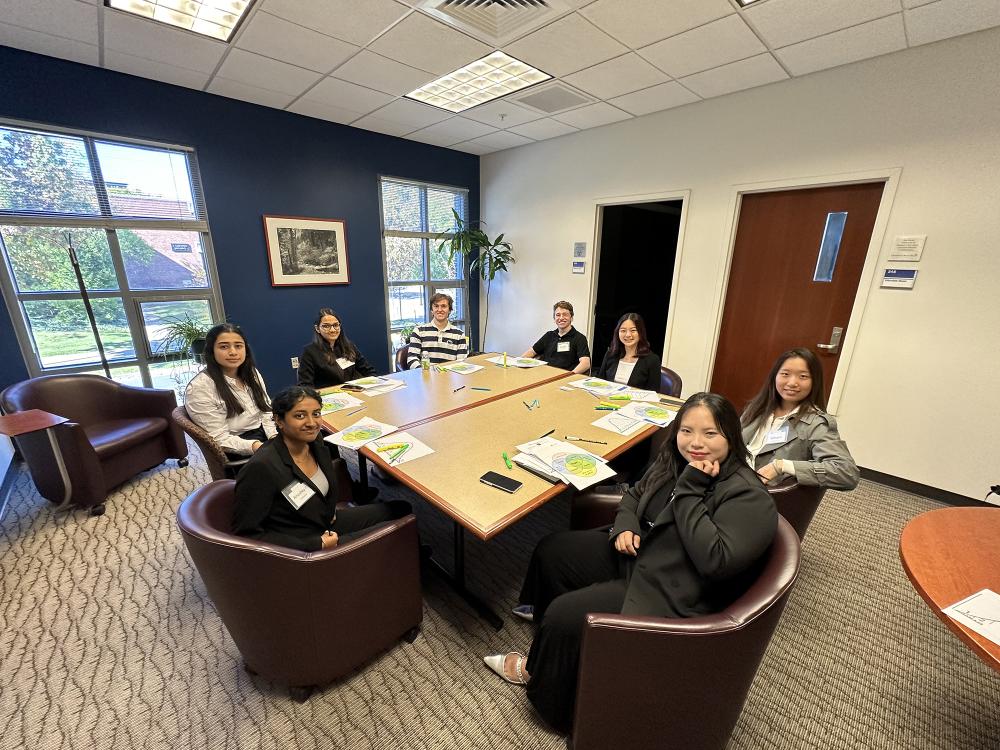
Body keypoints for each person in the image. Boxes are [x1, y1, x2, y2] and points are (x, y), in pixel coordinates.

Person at [483, 392, 777, 733]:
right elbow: (635, 494)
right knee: (553, 551)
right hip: (641, 551)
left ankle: (548, 683)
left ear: (731, 435)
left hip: (674, 583)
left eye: (710, 433)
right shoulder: (673, 460)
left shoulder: (748, 494)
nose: (696, 443)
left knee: (566, 615)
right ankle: (556, 652)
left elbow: (715, 560)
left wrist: (691, 490)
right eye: (686, 431)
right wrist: (626, 524)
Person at [232, 386, 412, 552]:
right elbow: (247, 535)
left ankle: (412, 558)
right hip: (305, 541)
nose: (312, 423)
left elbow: (321, 490)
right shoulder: (262, 467)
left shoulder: (315, 443)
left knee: (400, 508)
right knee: (401, 528)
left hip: (323, 519)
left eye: (316, 414)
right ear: (279, 420)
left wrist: (328, 509)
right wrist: (315, 544)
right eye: (300, 416)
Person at [741, 347, 859, 490]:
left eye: (803, 376)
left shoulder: (816, 424)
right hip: (729, 479)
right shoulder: (757, 408)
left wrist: (782, 466)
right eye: (785, 374)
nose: (792, 383)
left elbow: (846, 472)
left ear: (814, 381)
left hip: (760, 495)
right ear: (775, 376)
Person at [185, 322, 277, 460]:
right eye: (224, 347)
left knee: (313, 438)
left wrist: (274, 437)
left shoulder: (251, 372)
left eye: (238, 346)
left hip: (264, 430)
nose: (233, 352)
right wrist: (258, 447)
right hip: (238, 445)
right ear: (211, 351)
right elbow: (218, 439)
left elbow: (265, 409)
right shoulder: (200, 388)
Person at [297, 308, 375, 389]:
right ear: (317, 329)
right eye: (326, 326)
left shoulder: (349, 346)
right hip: (327, 397)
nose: (332, 330)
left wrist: (373, 384)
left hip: (353, 393)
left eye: (335, 325)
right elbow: (305, 385)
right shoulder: (309, 352)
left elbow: (369, 371)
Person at [592, 312, 661, 390]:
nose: (628, 335)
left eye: (633, 330)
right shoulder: (610, 354)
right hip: (607, 400)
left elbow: (653, 393)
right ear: (618, 332)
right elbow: (601, 382)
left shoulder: (652, 360)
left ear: (641, 332)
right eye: (623, 330)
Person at [522, 301, 591, 374]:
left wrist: (569, 375)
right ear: (554, 318)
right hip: (544, 375)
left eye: (565, 314)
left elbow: (585, 363)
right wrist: (517, 362)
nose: (561, 318)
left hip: (565, 377)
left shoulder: (579, 338)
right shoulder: (549, 335)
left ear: (571, 317)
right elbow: (532, 352)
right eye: (558, 315)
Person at [406, 292, 468, 368]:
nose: (440, 310)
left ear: (449, 310)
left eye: (443, 306)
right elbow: (412, 359)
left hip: (450, 376)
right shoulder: (419, 331)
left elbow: (461, 362)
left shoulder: (459, 334)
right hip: (426, 376)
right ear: (432, 310)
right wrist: (424, 372)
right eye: (436, 306)